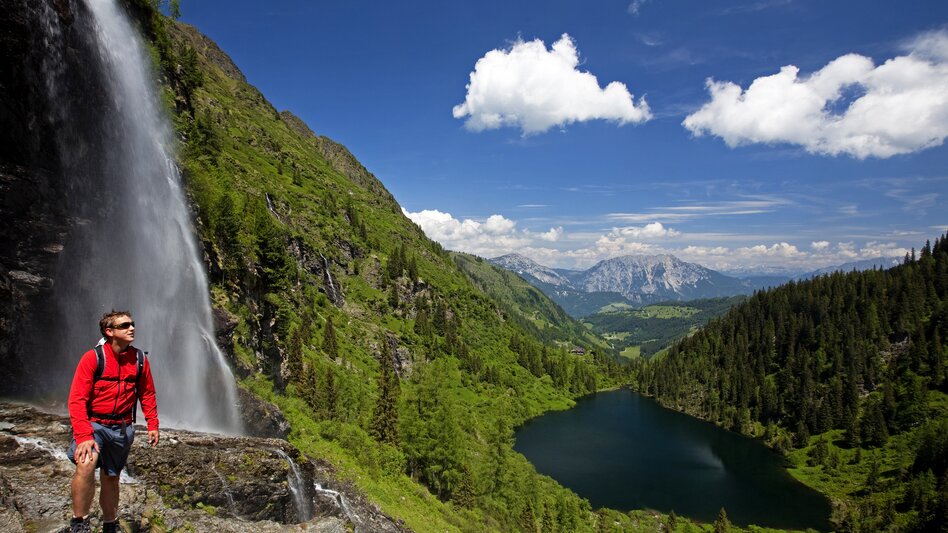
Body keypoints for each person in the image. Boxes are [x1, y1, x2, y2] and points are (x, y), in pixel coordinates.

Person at [66, 311, 159, 533]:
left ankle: (110, 524)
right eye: (125, 325)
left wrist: (152, 424)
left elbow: (147, 393)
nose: (132, 328)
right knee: (86, 463)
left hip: (123, 427)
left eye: (132, 324)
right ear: (110, 332)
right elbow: (77, 399)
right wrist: (83, 435)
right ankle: (79, 522)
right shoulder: (93, 358)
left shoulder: (139, 359)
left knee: (111, 476)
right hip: (95, 424)